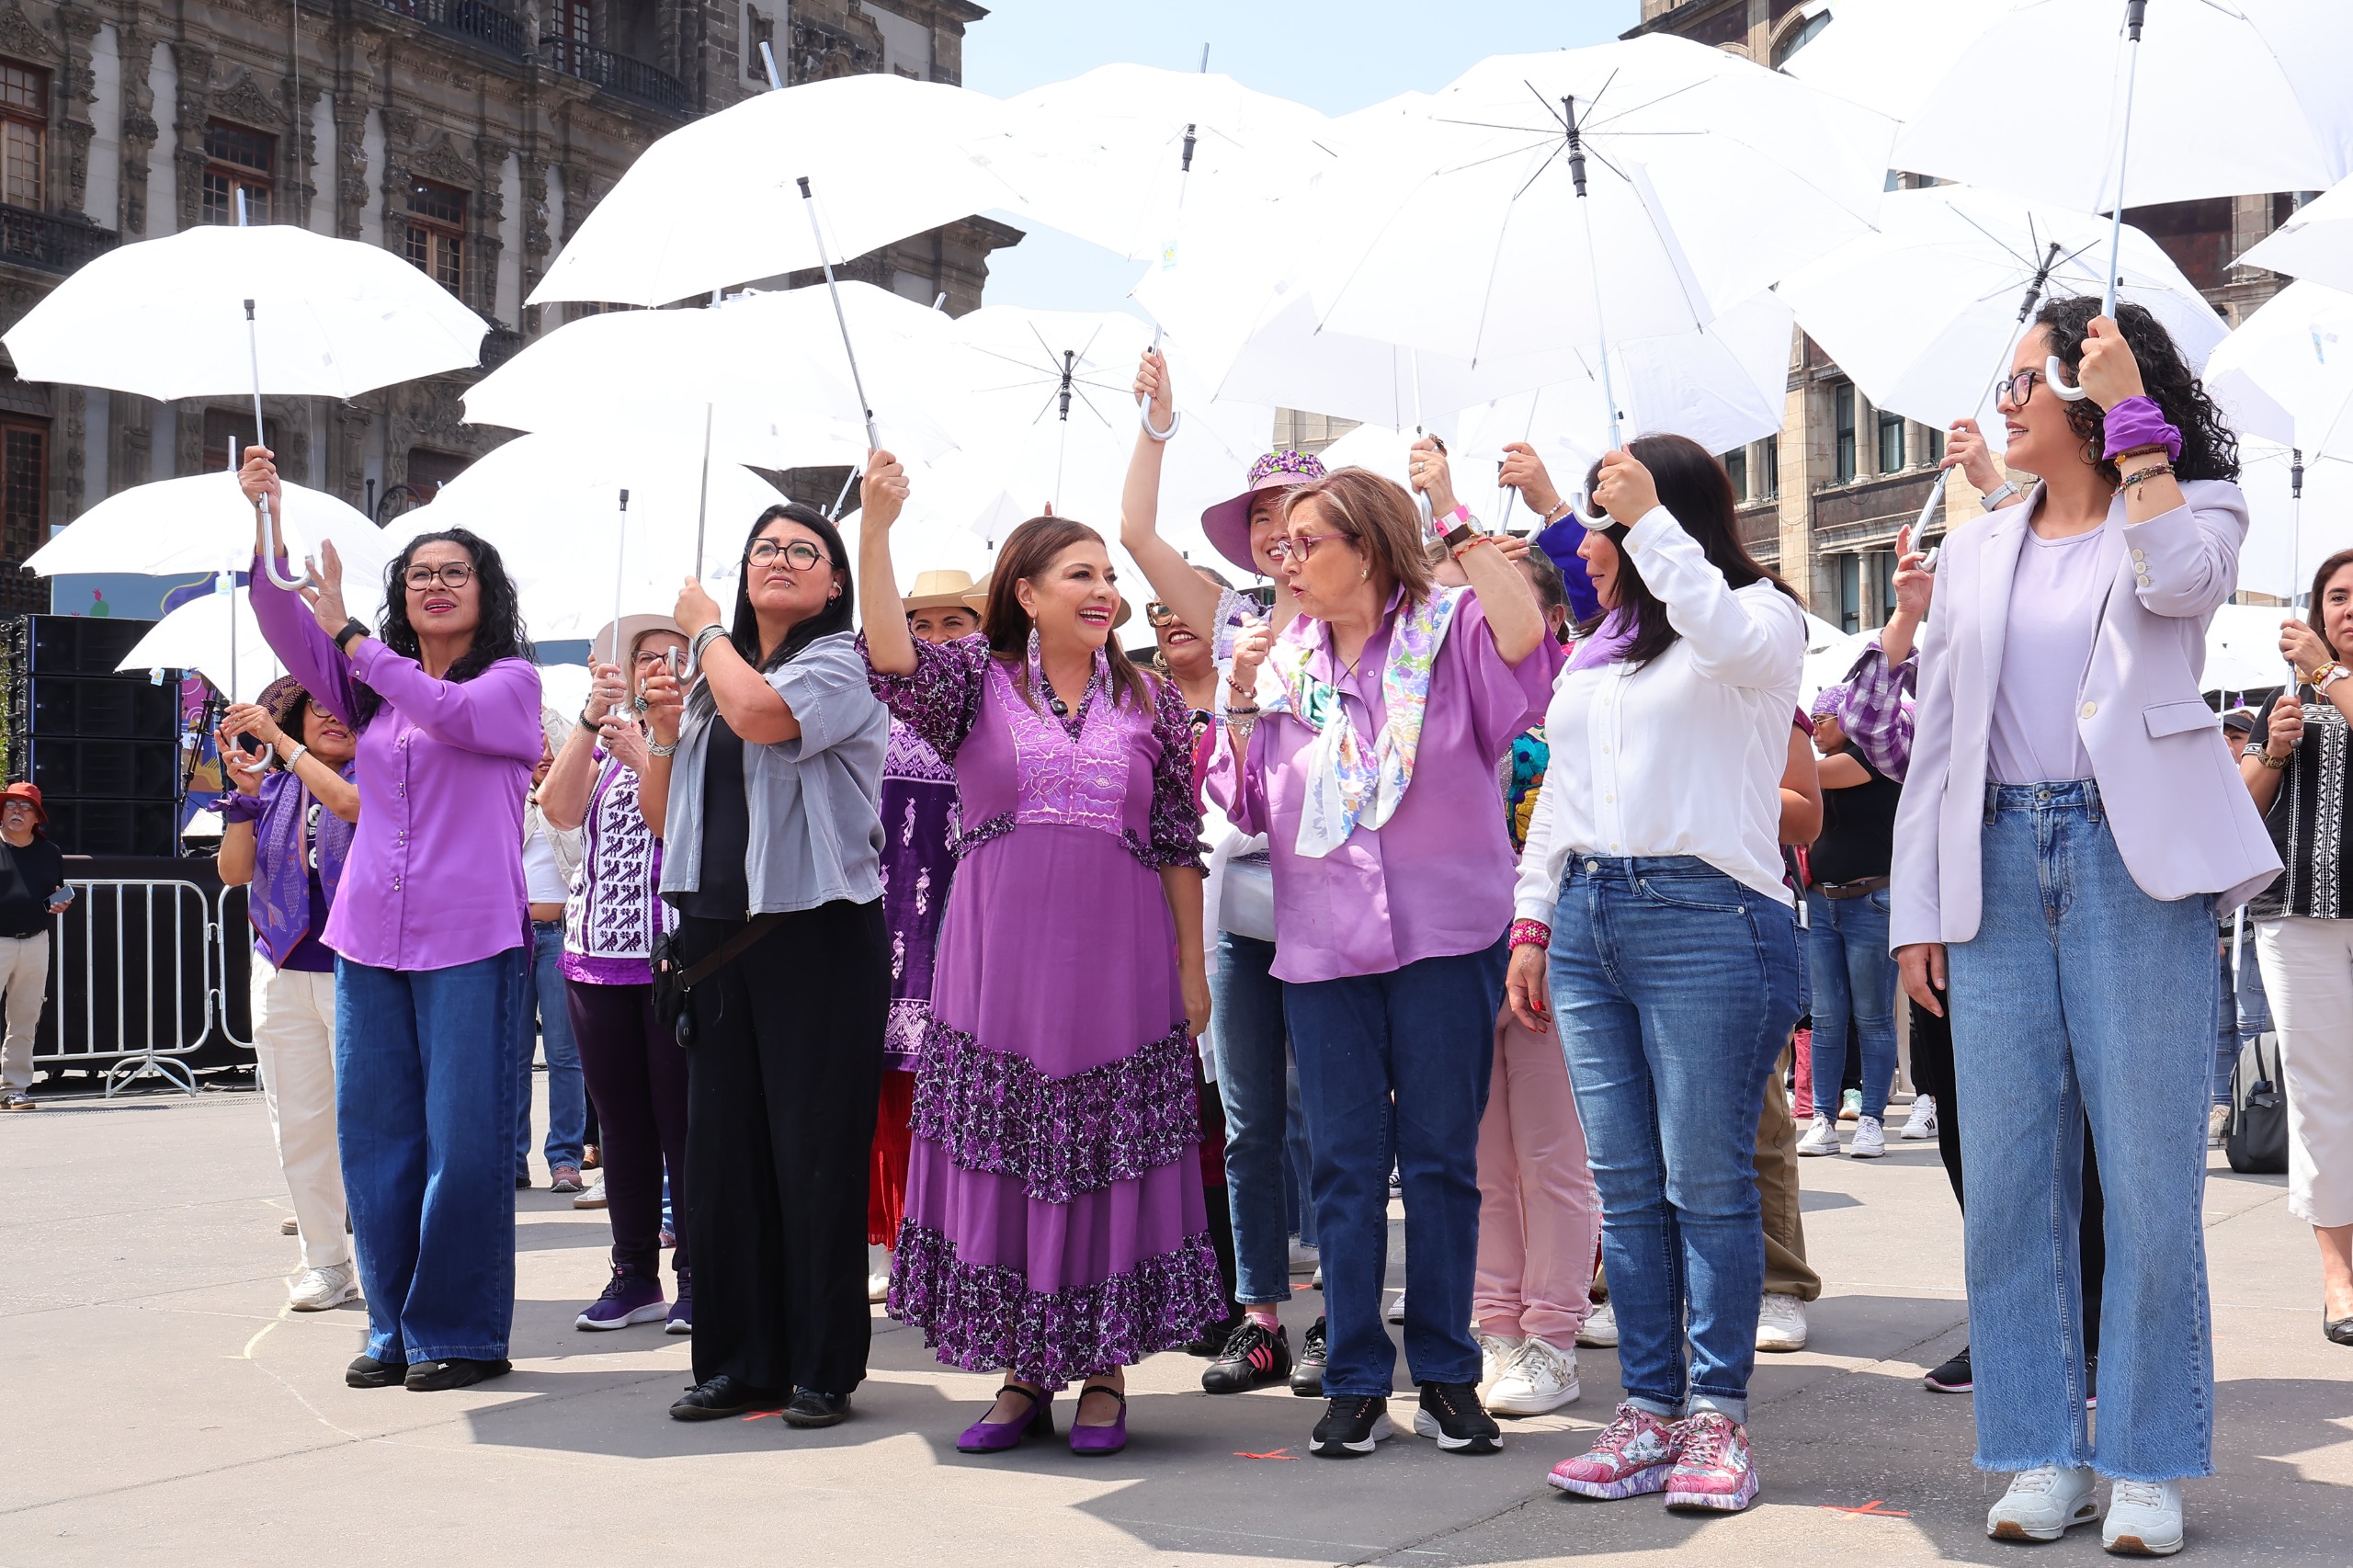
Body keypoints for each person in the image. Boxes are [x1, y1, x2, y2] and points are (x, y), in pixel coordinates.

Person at [1891, 300, 2275, 1554]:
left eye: (2023, 382)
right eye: (2003, 382)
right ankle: (2039, 1449)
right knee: (2008, 1181)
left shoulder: (2191, 503)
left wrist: (2137, 429)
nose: (2002, 403)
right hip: (1996, 857)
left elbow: (2182, 586)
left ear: (2085, 388)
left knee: (2151, 1181)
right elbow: (1941, 735)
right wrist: (1916, 907)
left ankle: (2148, 1459)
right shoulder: (1976, 545)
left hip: (2130, 859)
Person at [860, 489, 1222, 1460]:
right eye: (1081, 574)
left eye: (1109, 575)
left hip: (1123, 959)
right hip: (996, 961)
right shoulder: (970, 681)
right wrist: (877, 529)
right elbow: (889, 654)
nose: (1105, 591)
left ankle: (1104, 1373)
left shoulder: (1152, 699)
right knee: (1009, 1153)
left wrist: (1192, 969)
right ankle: (1023, 1372)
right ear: (1025, 592)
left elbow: (1178, 842)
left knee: (1107, 1153)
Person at [1211, 454, 1552, 1461]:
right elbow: (1245, 804)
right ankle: (1356, 1376)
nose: (1285, 560)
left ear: (1366, 549)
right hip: (1323, 942)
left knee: (1443, 1159)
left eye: (1305, 542)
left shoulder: (1446, 631)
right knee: (1345, 1167)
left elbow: (1528, 643)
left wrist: (1450, 513)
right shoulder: (1284, 664)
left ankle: (1446, 1371)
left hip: (1445, 935)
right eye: (1280, 546)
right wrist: (1239, 701)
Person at [1507, 436, 1804, 1514]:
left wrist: (1649, 523)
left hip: (1710, 915)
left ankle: (1716, 1416)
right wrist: (1533, 916)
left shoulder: (1759, 612)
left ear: (1662, 518)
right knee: (1625, 1187)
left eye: (1602, 528)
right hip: (1591, 917)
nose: (1585, 550)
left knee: (1705, 1180)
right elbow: (1563, 794)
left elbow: (1722, 636)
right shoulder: (1597, 649)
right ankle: (1647, 1409)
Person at [242, 445, 543, 1393]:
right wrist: (266, 519)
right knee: (375, 1137)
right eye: (419, 575)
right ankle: (392, 1326)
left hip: (471, 940)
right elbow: (284, 626)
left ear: (485, 592)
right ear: (401, 595)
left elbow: (446, 711)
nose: (435, 585)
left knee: (464, 1141)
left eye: (454, 572)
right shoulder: (369, 690)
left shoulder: (511, 684)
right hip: (368, 936)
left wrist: (352, 635)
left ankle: (460, 1330)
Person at [1841, 519, 2108, 1404]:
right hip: (1958, 920)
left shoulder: (2049, 649)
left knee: (2077, 1134)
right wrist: (1910, 618)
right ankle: (2012, 1322)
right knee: (1969, 1134)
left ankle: (2093, 1327)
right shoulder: (1942, 666)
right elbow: (1865, 726)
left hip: (2063, 901)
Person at [640, 496, 892, 1430]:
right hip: (713, 939)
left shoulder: (840, 660)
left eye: (803, 550)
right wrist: (662, 727)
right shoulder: (715, 679)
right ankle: (737, 1362)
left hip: (814, 933)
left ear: (834, 582)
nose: (779, 559)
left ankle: (822, 1366)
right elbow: (664, 816)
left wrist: (705, 627)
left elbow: (762, 716)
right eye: (764, 548)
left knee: (813, 1155)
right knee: (723, 1163)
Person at [1122, 352, 1335, 1399]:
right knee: (1249, 1120)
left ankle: (1341, 1314)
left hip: (1338, 895)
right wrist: (1156, 426)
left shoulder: (1371, 625)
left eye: (1296, 513)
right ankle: (1259, 1318)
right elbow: (1135, 535)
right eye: (1260, 517)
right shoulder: (1231, 619)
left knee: (1338, 1120)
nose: (1276, 532)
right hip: (1239, 894)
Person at [1467, 546, 1598, 1417]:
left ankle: (1552, 1335)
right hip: (1457, 945)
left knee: (1553, 1155)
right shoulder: (1437, 697)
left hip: (1551, 944)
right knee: (1483, 1160)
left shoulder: (1579, 697)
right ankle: (1496, 1324)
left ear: (1547, 619)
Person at [536, 615, 692, 1336]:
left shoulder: (709, 735)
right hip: (596, 957)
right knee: (623, 1128)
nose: (660, 668)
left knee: (684, 1126)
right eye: (646, 659)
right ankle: (633, 1275)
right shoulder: (608, 736)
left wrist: (648, 753)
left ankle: (698, 1277)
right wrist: (589, 723)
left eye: (675, 657)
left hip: (676, 961)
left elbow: (685, 825)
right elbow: (558, 808)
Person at [215, 678, 362, 1310]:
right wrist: (245, 800)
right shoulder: (271, 788)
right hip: (279, 965)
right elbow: (232, 872)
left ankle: (389, 1264)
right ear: (297, 719)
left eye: (343, 708)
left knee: (370, 1126)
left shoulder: (378, 777)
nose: (330, 717)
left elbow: (355, 811)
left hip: (360, 971)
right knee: (299, 1127)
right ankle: (325, 1262)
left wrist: (278, 745)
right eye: (316, 708)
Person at [2240, 547, 2353, 1350]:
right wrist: (2274, 751)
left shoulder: (2323, 680)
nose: (2350, 608)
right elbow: (2240, 810)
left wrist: (2326, 674)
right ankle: (2339, 1276)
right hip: (2298, 914)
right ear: (2318, 609)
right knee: (2321, 1098)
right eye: (2337, 596)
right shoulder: (2284, 697)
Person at [870, 570, 981, 1304]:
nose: (937, 639)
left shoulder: (997, 703)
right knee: (882, 1086)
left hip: (969, 913)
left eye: (954, 623)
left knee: (964, 1085)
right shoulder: (872, 702)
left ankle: (956, 1240)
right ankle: (887, 1238)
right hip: (883, 916)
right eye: (923, 625)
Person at [1796, 682, 1904, 1161]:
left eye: (1821, 720)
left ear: (1848, 720)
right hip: (1822, 904)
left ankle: (1872, 1119)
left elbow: (1807, 775)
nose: (1815, 730)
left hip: (1871, 902)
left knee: (1873, 1017)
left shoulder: (1875, 757)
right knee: (1826, 1018)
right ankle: (1823, 1117)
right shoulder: (1823, 767)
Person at [517, 710, 586, 1195]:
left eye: (550, 744)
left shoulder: (577, 800)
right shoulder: (507, 799)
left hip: (563, 935)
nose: (544, 754)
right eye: (533, 743)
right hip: (514, 936)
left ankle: (565, 1158)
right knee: (512, 1054)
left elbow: (572, 737)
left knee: (565, 1055)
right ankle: (511, 1159)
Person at [0, 783, 71, 1112]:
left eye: (25, 806)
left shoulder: (49, 851)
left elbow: (56, 891)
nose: (17, 811)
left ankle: (13, 1089)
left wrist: (60, 902)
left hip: (35, 942)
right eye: (10, 804)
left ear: (36, 818)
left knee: (25, 1017)